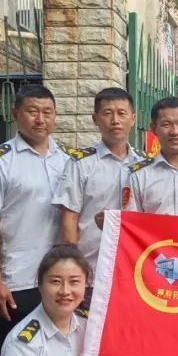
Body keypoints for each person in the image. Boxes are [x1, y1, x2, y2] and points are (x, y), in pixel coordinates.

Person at [0, 84, 68, 356]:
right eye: (32, 112)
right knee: (10, 353)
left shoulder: (67, 160)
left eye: (47, 112)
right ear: (16, 113)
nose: (40, 119)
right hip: (19, 277)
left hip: (60, 278)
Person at [53, 87, 141, 273]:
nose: (115, 120)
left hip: (134, 268)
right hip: (92, 266)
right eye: (107, 113)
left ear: (133, 118)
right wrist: (74, 267)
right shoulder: (80, 164)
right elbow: (69, 217)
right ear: (95, 119)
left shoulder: (144, 165)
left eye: (122, 113)